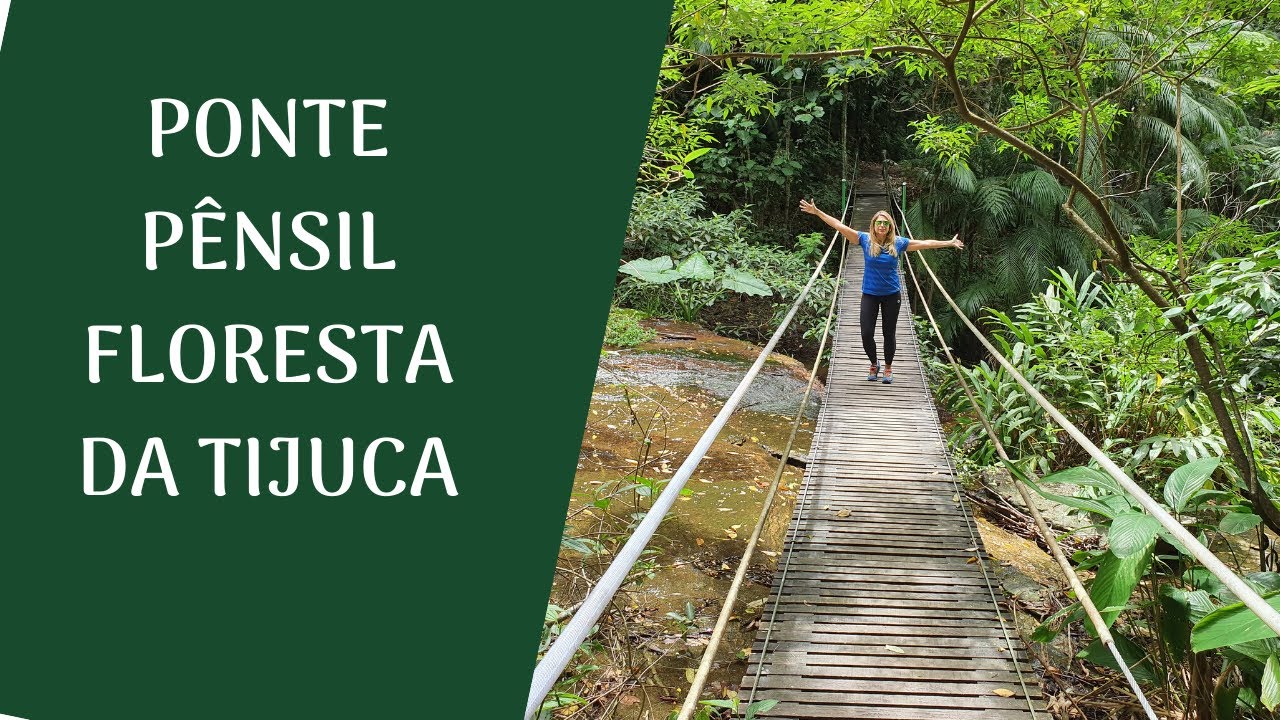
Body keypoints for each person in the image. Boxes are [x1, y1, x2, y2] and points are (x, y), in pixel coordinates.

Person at [799, 200, 963, 384]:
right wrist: (817, 211)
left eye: (886, 223)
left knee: (888, 333)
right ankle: (874, 363)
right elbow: (838, 225)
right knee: (866, 333)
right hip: (870, 294)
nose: (882, 226)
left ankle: (888, 367)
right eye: (879, 223)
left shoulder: (899, 243)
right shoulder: (864, 239)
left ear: (890, 226)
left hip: (892, 296)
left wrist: (949, 242)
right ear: (874, 226)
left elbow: (925, 243)